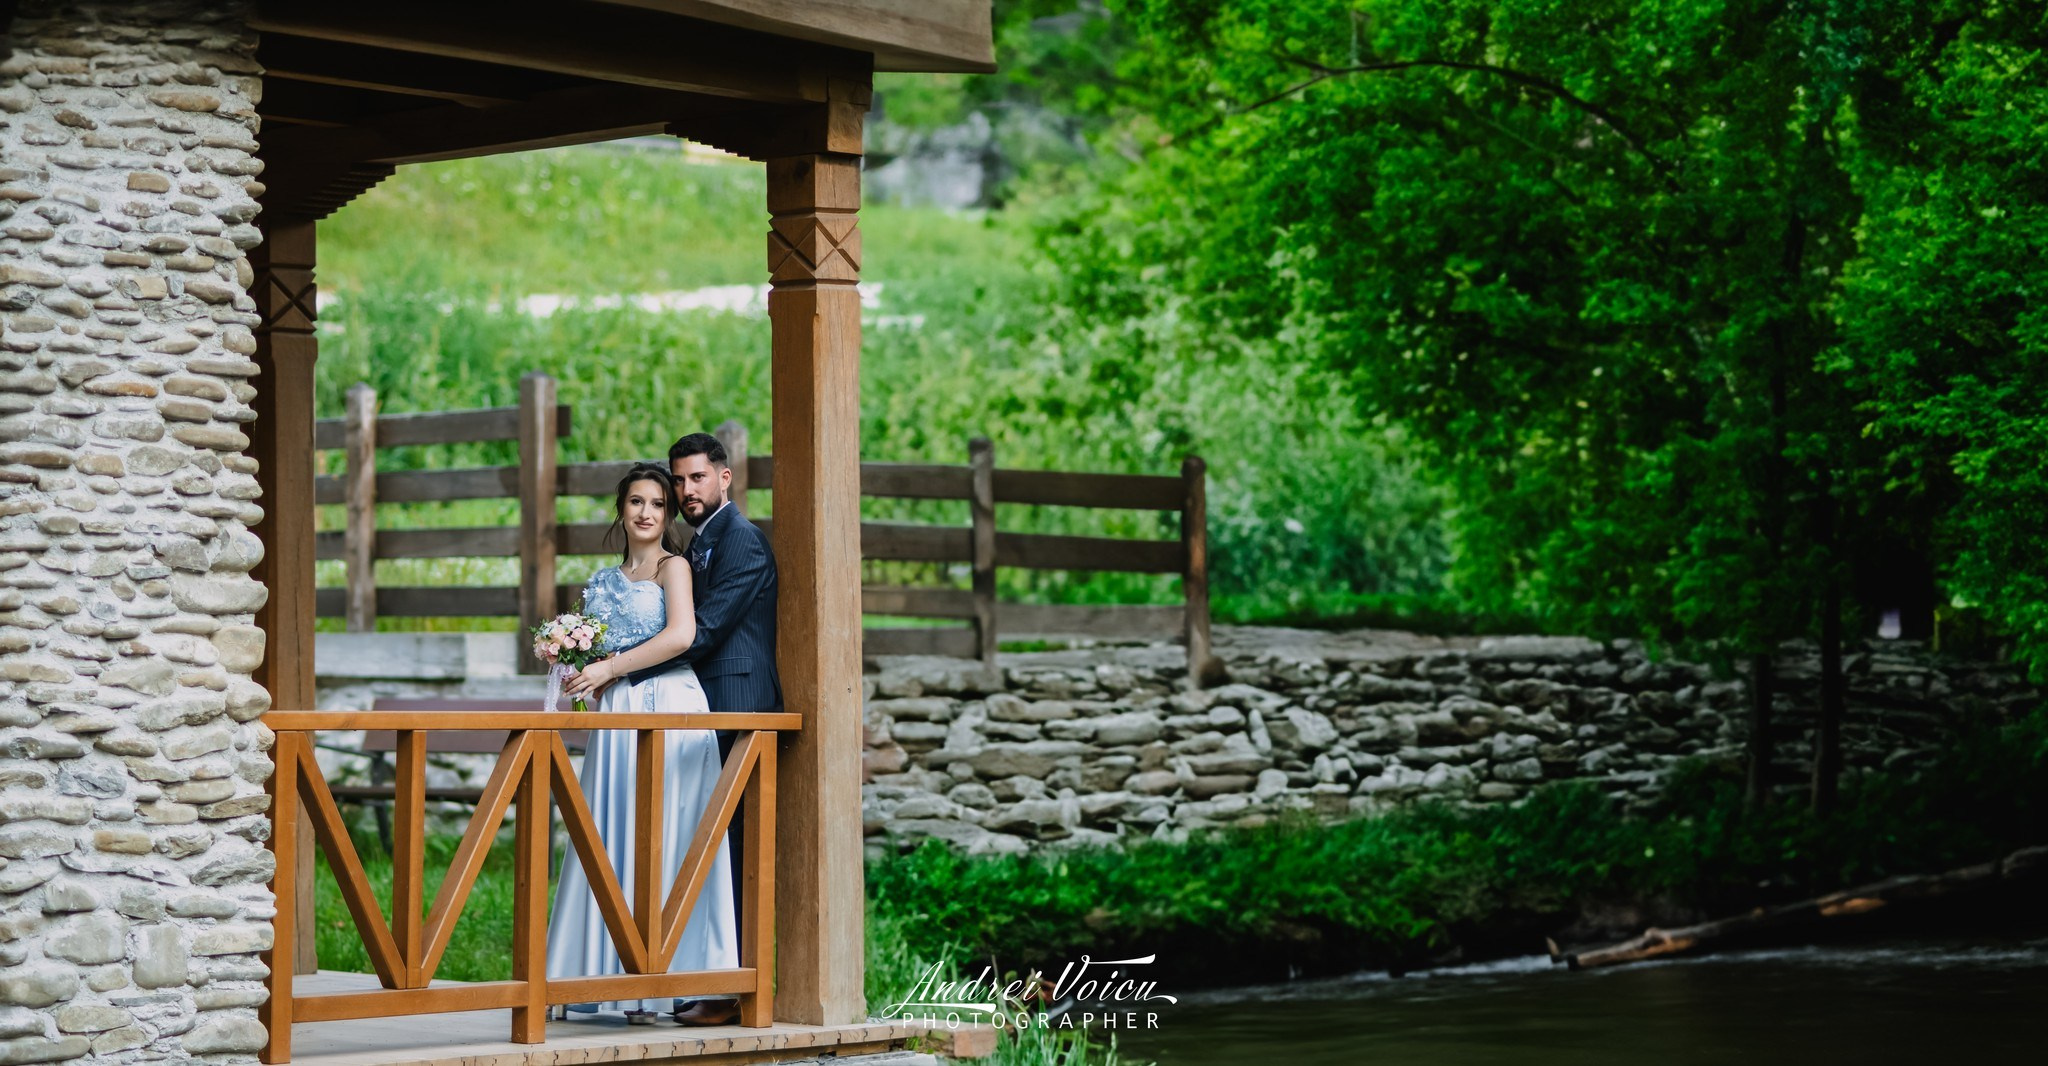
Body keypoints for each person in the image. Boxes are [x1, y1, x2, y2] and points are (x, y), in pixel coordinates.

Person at [551, 463, 736, 1025]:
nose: (647, 512)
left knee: (669, 833)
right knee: (609, 831)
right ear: (622, 509)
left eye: (658, 503)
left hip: (667, 701)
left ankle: (665, 980)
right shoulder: (603, 581)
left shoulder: (673, 568)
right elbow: (587, 650)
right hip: (618, 710)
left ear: (669, 513)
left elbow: (680, 635)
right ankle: (603, 978)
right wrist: (571, 659)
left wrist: (608, 666)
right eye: (637, 502)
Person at [623, 431, 782, 1026]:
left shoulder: (742, 542)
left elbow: (706, 630)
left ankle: (729, 990)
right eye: (679, 479)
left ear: (725, 477)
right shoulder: (696, 545)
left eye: (697, 478)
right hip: (701, 707)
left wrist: (621, 667)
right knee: (701, 843)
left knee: (730, 845)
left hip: (738, 707)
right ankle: (698, 971)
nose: (686, 490)